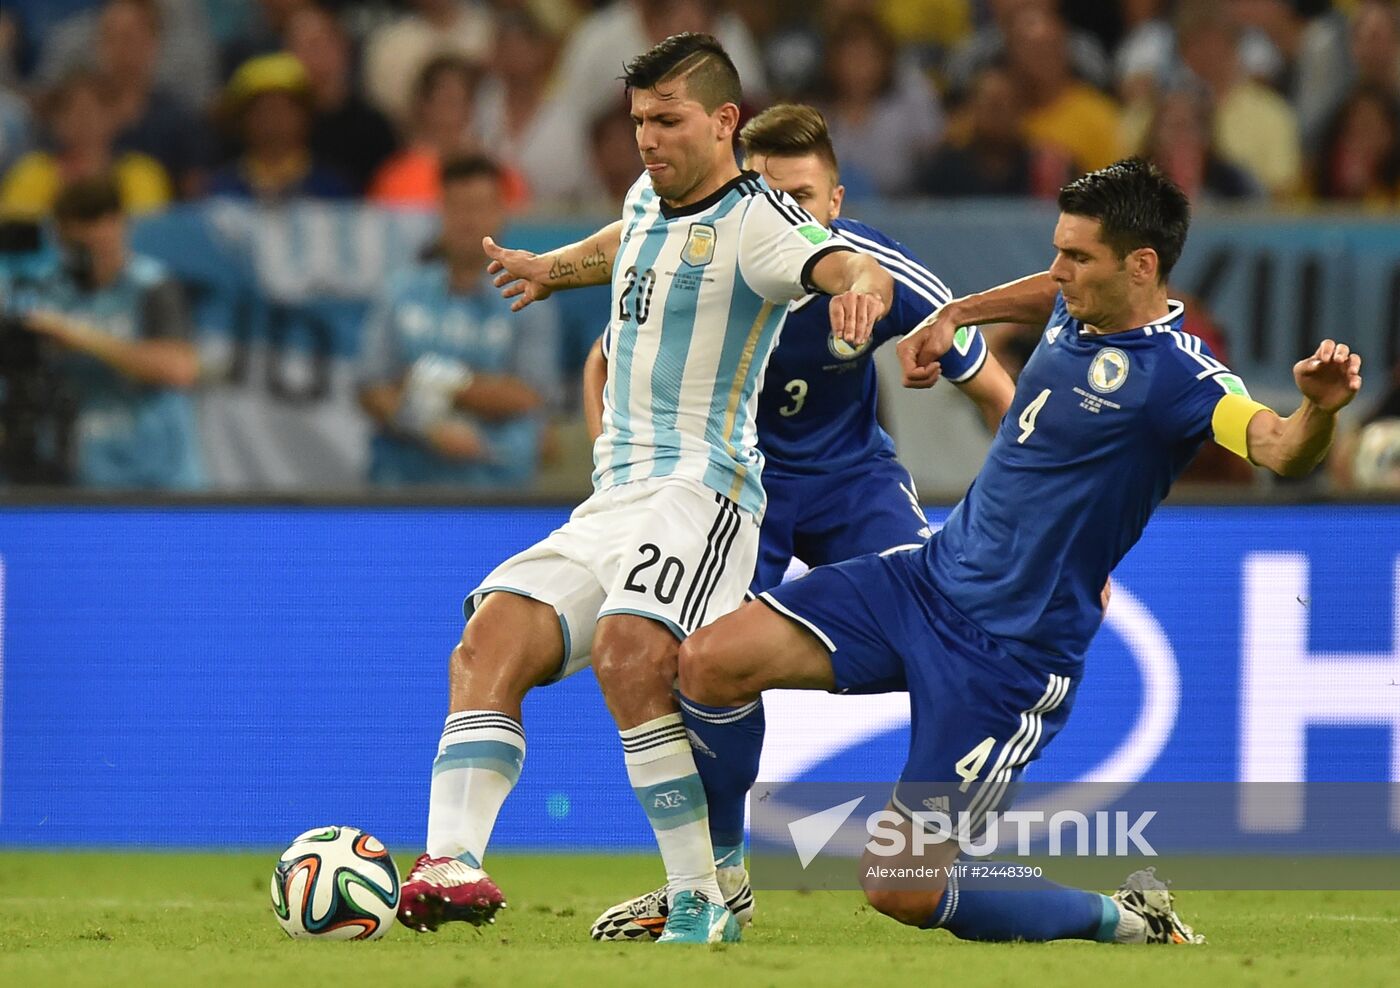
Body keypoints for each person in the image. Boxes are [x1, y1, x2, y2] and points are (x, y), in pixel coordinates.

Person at [674, 158, 1362, 945]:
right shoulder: (1079, 305)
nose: (1059, 271)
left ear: (1141, 266)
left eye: (1078, 256)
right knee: (709, 663)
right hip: (923, 582)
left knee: (900, 885)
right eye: (1058, 250)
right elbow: (1044, 291)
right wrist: (956, 312)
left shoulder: (1182, 378)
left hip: (1005, 657)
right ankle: (719, 885)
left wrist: (1317, 410)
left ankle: (1125, 920)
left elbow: (1278, 447)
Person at [396, 33, 895, 945]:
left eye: (667, 121)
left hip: (704, 490)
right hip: (615, 494)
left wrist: (861, 288)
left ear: (725, 121)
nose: (648, 139)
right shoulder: (649, 192)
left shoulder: (759, 222)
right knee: (488, 639)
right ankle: (451, 863)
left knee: (633, 650)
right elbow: (630, 240)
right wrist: (553, 269)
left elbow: (840, 261)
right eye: (638, 121)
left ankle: (702, 898)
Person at [587, 102, 1017, 942]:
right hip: (735, 489)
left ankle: (941, 845)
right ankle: (717, 879)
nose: (788, 217)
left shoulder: (877, 271)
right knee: (691, 662)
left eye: (806, 200)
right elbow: (606, 362)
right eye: (769, 197)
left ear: (837, 202)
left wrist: (1040, 531)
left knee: (950, 629)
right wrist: (622, 484)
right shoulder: (703, 264)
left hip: (852, 483)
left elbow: (998, 397)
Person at [356, 154, 559, 489]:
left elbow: (529, 395)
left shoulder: (531, 297)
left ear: (501, 212)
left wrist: (432, 382)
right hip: (402, 484)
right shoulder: (399, 292)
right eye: (458, 207)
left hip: (498, 486)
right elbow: (371, 387)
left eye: (480, 207)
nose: (469, 219)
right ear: (440, 211)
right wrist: (428, 427)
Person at [4, 176, 203, 488]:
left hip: (157, 476)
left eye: (98, 243)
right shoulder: (44, 289)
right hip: (79, 474)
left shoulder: (152, 285)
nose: (89, 255)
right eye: (76, 245)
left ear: (120, 226)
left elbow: (178, 368)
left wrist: (80, 337)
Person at [207, 54, 352, 201]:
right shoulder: (220, 188)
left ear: (306, 116)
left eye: (284, 109)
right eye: (262, 110)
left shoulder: (332, 186)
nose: (273, 119)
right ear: (242, 119)